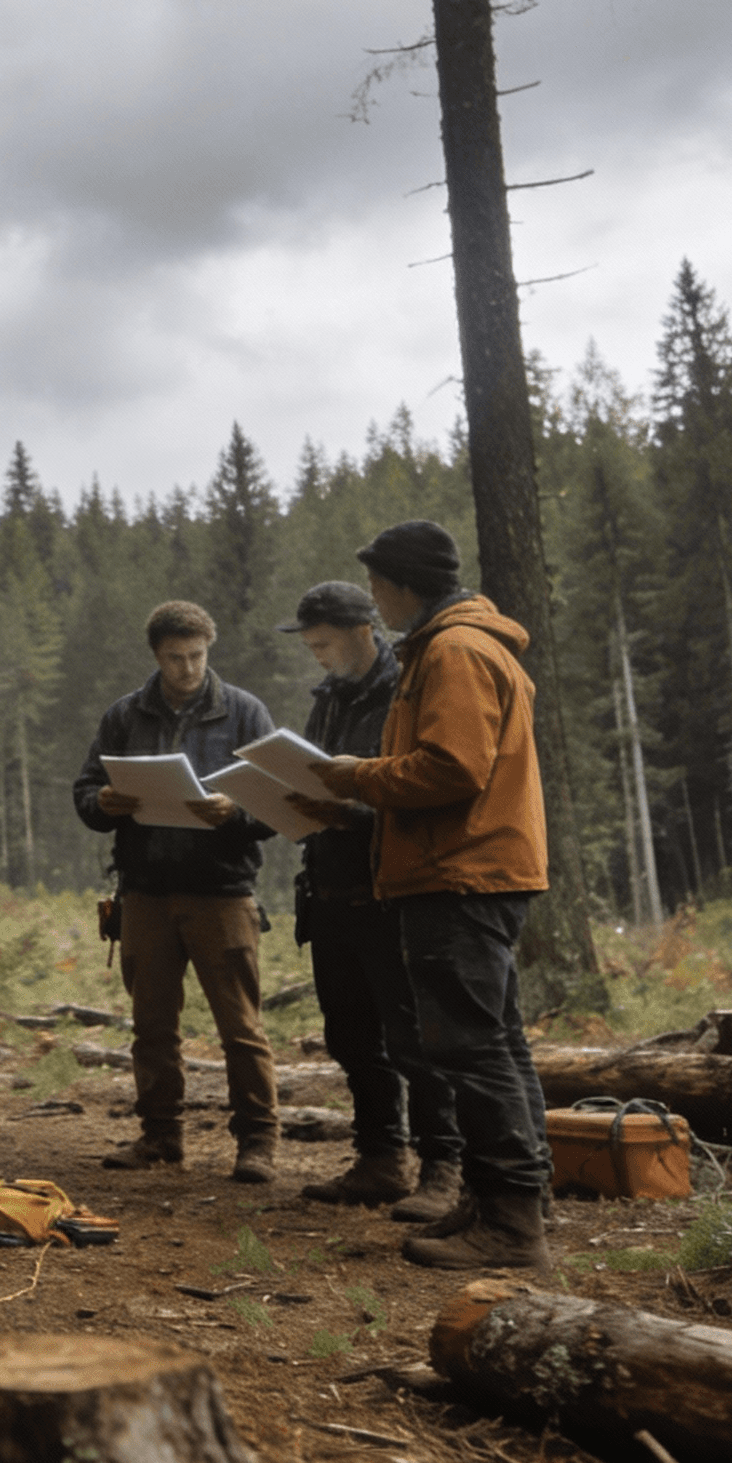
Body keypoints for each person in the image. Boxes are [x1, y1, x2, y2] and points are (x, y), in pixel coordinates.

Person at [312, 519, 554, 1269]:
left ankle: (513, 1224)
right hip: (471, 870)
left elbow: (453, 768)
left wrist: (357, 776)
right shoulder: (457, 646)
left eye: (377, 585)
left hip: (460, 874)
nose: (375, 599)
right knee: (495, 1042)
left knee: (473, 1049)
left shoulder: (453, 651)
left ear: (401, 584)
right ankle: (505, 1198)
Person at [74, 601, 282, 1183]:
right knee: (152, 1027)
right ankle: (160, 1135)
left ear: (209, 650)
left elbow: (275, 804)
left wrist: (234, 813)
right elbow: (87, 790)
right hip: (145, 893)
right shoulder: (125, 716)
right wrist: (102, 803)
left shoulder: (245, 712)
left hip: (222, 892)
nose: (188, 668)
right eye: (175, 658)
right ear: (156, 656)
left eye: (196, 656)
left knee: (240, 1028)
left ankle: (258, 1142)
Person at [278, 581, 462, 1221]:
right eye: (310, 647)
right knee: (351, 1036)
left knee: (414, 1039)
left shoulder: (406, 690)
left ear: (362, 631)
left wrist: (353, 814)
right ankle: (380, 1157)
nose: (317, 656)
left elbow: (420, 786)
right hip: (329, 888)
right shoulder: (327, 698)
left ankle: (444, 1165)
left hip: (389, 890)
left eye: (324, 644)